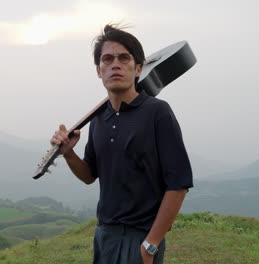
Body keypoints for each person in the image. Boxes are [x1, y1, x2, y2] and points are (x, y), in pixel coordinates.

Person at [51, 24, 193, 264]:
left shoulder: (157, 112)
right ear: (99, 70)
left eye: (123, 58)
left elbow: (178, 185)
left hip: (141, 237)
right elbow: (89, 175)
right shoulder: (98, 120)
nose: (115, 64)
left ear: (138, 68)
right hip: (105, 234)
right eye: (107, 59)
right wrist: (68, 154)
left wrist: (150, 244)